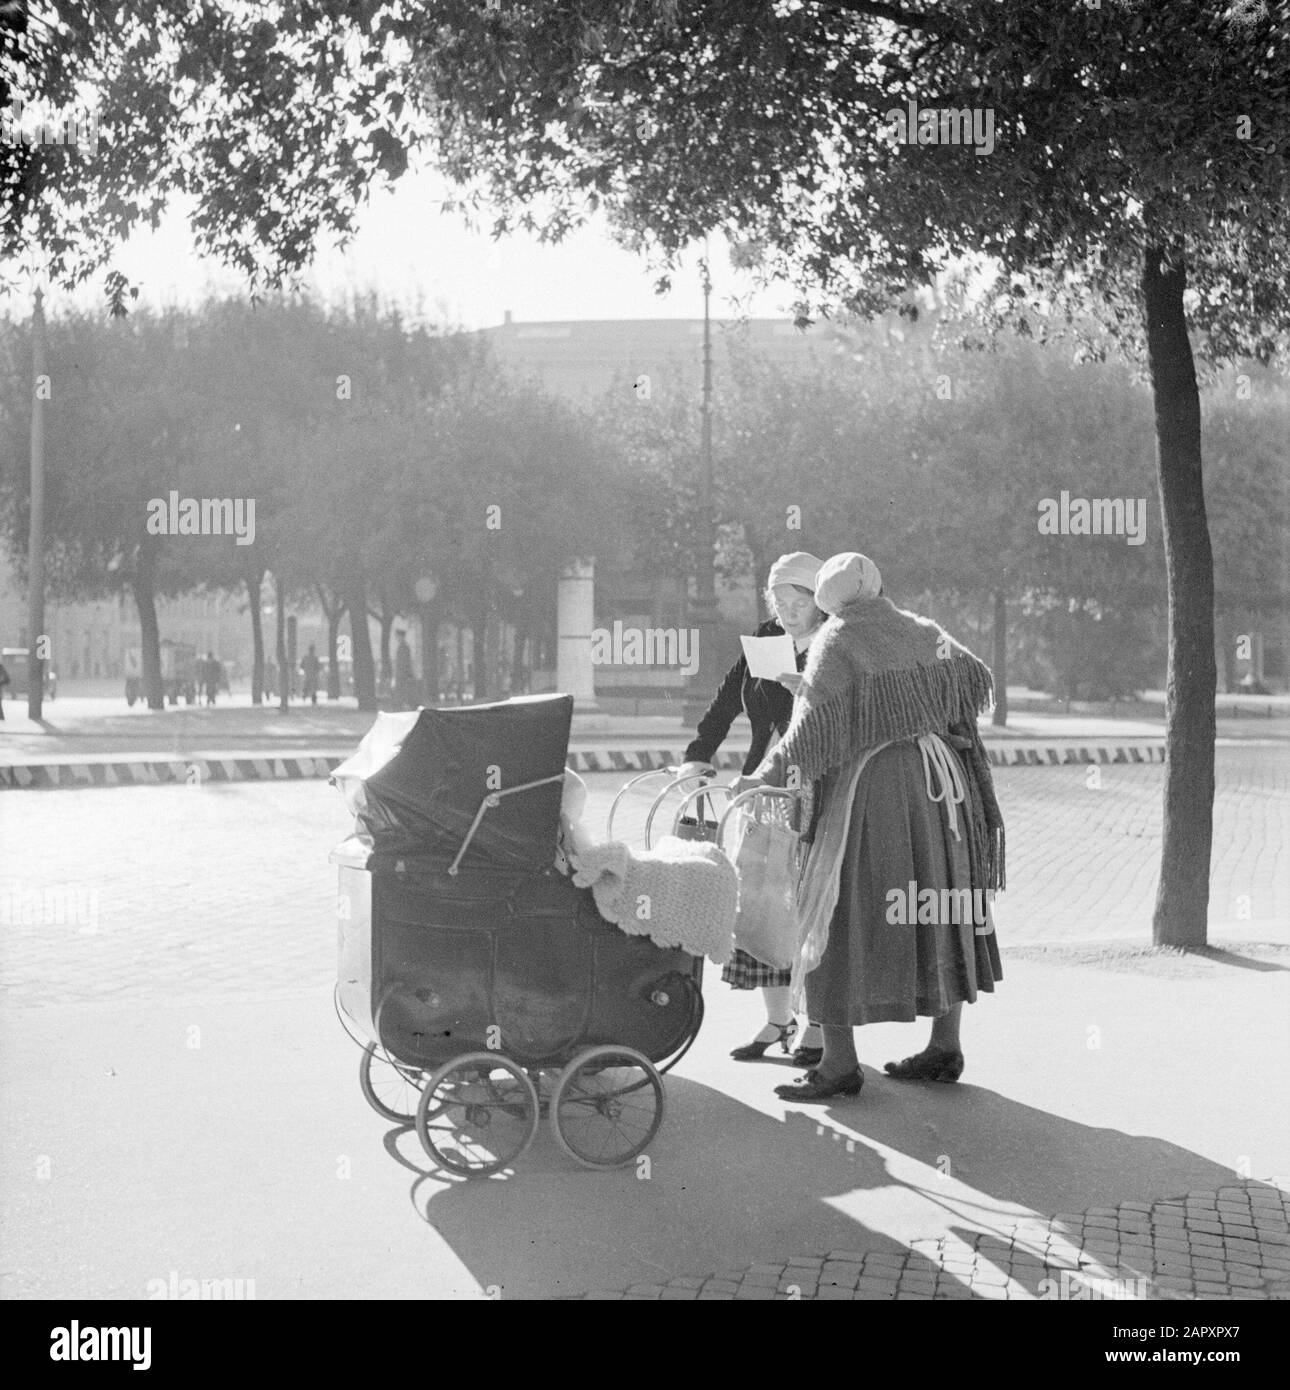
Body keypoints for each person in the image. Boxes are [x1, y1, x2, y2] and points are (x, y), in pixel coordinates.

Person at [747, 553, 1005, 1102]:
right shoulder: (923, 630)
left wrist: (761, 778)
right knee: (941, 905)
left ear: (825, 601)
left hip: (873, 792)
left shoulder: (837, 641)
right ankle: (944, 1046)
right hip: (943, 794)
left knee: (835, 911)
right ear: (878, 585)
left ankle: (838, 1064)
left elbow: (811, 734)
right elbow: (971, 681)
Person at [679, 551, 828, 1067]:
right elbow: (726, 700)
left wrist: (802, 691)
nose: (787, 610)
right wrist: (699, 754)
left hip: (816, 788)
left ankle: (820, 1028)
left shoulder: (837, 642)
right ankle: (779, 1018)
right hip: (762, 787)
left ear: (820, 600)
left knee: (807, 904)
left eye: (798, 600)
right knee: (760, 901)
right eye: (779, 600)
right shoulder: (766, 639)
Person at [393, 630, 418, 709]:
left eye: (397, 636)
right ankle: (402, 705)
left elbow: (404, 662)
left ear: (401, 636)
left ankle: (404, 705)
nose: (396, 638)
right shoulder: (402, 646)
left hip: (403, 673)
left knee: (403, 690)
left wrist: (403, 673)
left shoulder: (404, 647)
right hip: (401, 673)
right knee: (401, 690)